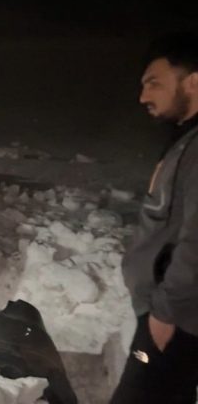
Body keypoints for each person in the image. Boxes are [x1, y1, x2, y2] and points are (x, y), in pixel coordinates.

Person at [111, 31, 198, 403]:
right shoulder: (187, 141)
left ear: (193, 82)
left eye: (154, 84)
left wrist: (165, 314)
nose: (143, 96)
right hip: (171, 319)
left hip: (173, 323)